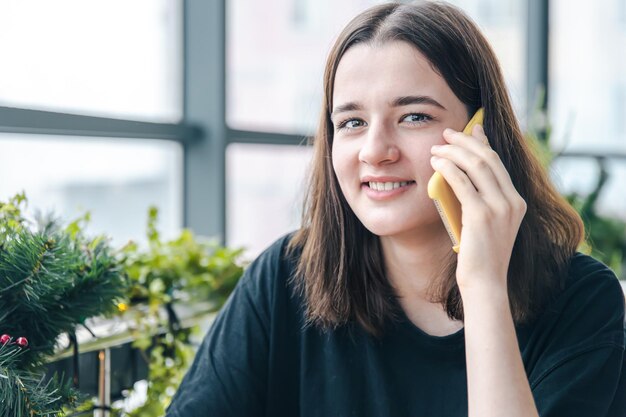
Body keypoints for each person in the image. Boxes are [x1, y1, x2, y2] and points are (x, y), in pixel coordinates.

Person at [166, 1, 626, 416]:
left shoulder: (582, 301)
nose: (374, 150)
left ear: (480, 135)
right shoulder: (284, 279)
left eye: (414, 116)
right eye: (352, 122)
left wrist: (483, 286)